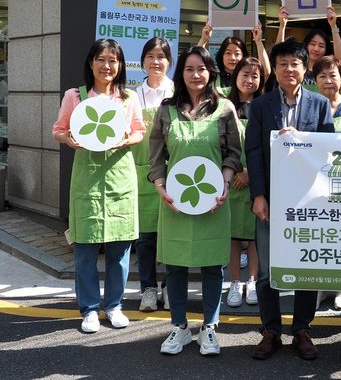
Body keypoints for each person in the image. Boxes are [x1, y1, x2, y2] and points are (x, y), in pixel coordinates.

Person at [148, 46, 242, 356]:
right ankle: (179, 326)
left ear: (211, 72)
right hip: (176, 199)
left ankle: (209, 328)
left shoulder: (224, 108)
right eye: (190, 69)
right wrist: (160, 185)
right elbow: (157, 155)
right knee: (174, 265)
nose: (196, 74)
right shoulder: (166, 110)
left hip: (213, 198)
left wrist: (226, 181)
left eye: (201, 68)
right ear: (181, 72)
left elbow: (233, 153)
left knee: (212, 266)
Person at [246, 39, 335, 361]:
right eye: (282, 63)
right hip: (270, 199)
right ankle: (271, 330)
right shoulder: (260, 106)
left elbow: (329, 150)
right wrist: (258, 195)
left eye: (294, 63)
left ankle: (301, 329)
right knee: (268, 270)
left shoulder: (320, 105)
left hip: (308, 201)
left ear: (304, 67)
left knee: (306, 267)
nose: (288, 69)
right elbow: (253, 152)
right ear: (276, 68)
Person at [52, 39, 146, 333]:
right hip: (87, 180)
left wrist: (125, 140)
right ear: (91, 62)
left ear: (120, 66)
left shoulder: (128, 98)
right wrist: (69, 139)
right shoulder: (75, 96)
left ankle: (115, 306)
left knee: (120, 249)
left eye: (113, 60)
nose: (107, 66)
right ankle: (90, 309)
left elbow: (139, 132)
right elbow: (58, 130)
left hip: (120, 177)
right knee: (86, 250)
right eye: (101, 59)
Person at [134, 38, 174, 312]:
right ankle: (148, 288)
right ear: (143, 61)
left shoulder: (177, 93)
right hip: (142, 172)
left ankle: (171, 287)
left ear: (169, 62)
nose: (156, 61)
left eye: (161, 56)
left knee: (172, 233)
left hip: (174, 171)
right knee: (146, 237)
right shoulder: (133, 95)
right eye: (150, 55)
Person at [312, 55, 341, 310]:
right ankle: (318, 285)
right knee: (318, 235)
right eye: (322, 76)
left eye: (333, 75)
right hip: (315, 182)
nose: (328, 81)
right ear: (315, 80)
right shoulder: (310, 106)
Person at [225, 57, 265, 308]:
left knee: (253, 237)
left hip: (257, 179)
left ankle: (252, 280)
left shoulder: (264, 105)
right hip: (230, 179)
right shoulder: (223, 106)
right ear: (235, 76)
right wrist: (234, 171)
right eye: (245, 74)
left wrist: (250, 172)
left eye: (255, 76)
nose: (249, 80)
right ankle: (235, 282)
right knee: (232, 237)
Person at [275, 5, 341, 92]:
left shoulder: (328, 69)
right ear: (306, 45)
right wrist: (282, 26)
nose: (316, 49)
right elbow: (278, 54)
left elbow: (339, 58)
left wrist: (333, 26)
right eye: (313, 44)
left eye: (321, 46)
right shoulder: (298, 68)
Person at [198, 21, 271, 94]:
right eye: (228, 53)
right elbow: (196, 64)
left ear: (244, 56)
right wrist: (203, 40)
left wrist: (258, 42)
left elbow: (265, 72)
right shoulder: (213, 78)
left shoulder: (250, 79)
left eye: (237, 54)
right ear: (221, 56)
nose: (232, 58)